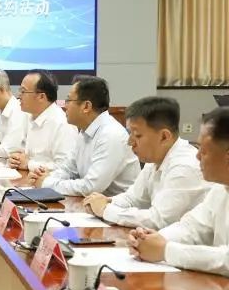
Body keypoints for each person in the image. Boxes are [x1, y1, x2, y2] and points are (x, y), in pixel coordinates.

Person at [129, 106, 229, 279]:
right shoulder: (222, 187)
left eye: (203, 151)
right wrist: (149, 239)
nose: (197, 157)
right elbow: (192, 227)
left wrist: (166, 251)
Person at [85, 96, 207, 228]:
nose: (130, 142)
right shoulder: (154, 159)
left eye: (137, 135)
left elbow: (159, 220)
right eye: (129, 133)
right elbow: (134, 198)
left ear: (164, 137)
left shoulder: (184, 167)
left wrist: (105, 210)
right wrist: (106, 202)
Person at [38, 76, 138, 196]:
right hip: (91, 202)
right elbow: (68, 169)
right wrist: (47, 177)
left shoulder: (111, 135)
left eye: (68, 100)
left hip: (115, 204)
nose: (65, 106)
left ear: (86, 106)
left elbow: (91, 187)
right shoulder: (85, 131)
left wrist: (47, 183)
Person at [8, 69, 77, 173]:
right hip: (30, 178)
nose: (19, 96)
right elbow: (25, 155)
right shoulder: (31, 117)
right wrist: (16, 159)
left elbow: (66, 168)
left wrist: (29, 164)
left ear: (41, 96)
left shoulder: (62, 123)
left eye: (23, 91)